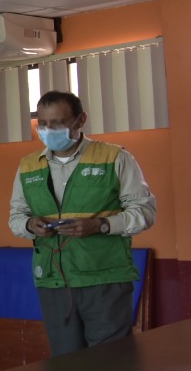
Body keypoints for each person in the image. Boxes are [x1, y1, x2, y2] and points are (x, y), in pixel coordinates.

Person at [9, 90, 157, 356]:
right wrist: (30, 225)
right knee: (67, 364)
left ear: (81, 120)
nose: (48, 130)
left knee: (109, 361)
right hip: (54, 280)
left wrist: (100, 225)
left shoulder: (114, 157)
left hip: (104, 277)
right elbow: (16, 216)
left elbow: (144, 212)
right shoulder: (28, 166)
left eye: (58, 122)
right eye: (42, 123)